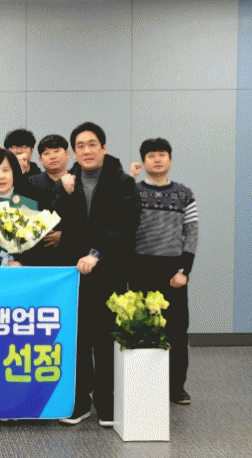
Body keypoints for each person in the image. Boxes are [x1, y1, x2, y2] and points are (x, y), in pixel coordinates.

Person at [56, 122, 141, 428]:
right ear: (74, 152)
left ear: (104, 147)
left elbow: (125, 224)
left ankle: (107, 402)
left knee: (106, 339)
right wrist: (64, 193)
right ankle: (80, 402)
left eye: (92, 144)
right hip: (75, 274)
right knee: (78, 339)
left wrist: (96, 253)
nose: (87, 150)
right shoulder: (69, 181)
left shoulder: (123, 182)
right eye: (80, 146)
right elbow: (59, 224)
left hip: (109, 272)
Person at [129, 138, 197, 405]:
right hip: (140, 267)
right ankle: (143, 385)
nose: (157, 159)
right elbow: (120, 223)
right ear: (143, 161)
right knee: (141, 327)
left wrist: (185, 271)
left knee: (176, 330)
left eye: (162, 154)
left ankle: (176, 387)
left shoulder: (184, 193)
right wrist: (129, 180)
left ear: (170, 159)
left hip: (172, 272)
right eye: (151, 155)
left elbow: (191, 234)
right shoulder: (133, 191)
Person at [28, 134, 72, 266]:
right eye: (46, 153)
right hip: (38, 254)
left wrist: (66, 236)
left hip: (72, 254)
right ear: (40, 159)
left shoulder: (78, 180)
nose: (53, 156)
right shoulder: (30, 183)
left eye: (57, 151)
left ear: (67, 154)